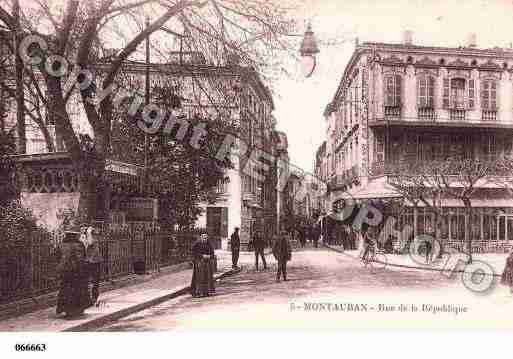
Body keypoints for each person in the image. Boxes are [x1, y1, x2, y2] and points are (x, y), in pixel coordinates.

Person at [56, 228, 93, 318]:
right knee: (78, 290)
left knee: (65, 290)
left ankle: (66, 309)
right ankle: (77, 309)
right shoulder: (78, 245)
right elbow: (81, 258)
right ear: (75, 236)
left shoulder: (61, 245)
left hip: (65, 272)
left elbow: (57, 257)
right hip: (76, 271)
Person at [191, 233, 215, 298]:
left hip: (207, 263)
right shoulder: (197, 244)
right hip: (199, 262)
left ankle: (206, 292)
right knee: (199, 277)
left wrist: (209, 256)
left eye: (206, 237)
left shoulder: (209, 244)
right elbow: (193, 253)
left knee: (207, 277)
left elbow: (213, 253)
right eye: (203, 237)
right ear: (201, 237)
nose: (205, 239)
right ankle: (197, 292)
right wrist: (202, 256)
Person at [84, 226, 103, 304]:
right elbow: (89, 243)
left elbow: (91, 242)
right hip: (89, 261)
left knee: (95, 281)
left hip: (94, 261)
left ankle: (94, 298)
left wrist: (89, 232)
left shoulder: (93, 238)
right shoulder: (86, 238)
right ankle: (90, 298)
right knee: (90, 281)